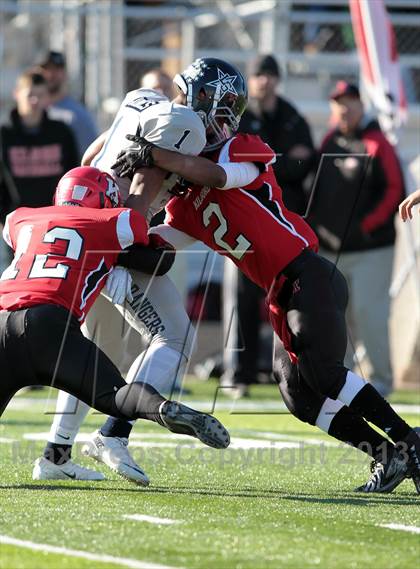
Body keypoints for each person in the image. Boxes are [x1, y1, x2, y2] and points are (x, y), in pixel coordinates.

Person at [111, 58, 420, 494]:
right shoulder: (183, 204)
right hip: (280, 290)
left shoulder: (239, 149)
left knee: (324, 372)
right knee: (299, 396)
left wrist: (157, 154)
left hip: (308, 274)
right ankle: (388, 457)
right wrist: (111, 235)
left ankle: (411, 442)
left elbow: (219, 176)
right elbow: (156, 243)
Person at [0, 165, 230, 482]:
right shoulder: (115, 220)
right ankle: (161, 409)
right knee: (117, 396)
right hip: (49, 328)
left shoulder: (21, 218)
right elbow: (153, 255)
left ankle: (55, 460)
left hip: (2, 321)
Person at [33, 87, 210, 483]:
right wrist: (135, 240)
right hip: (115, 237)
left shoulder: (137, 98)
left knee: (100, 346)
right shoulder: (182, 124)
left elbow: (90, 158)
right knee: (176, 337)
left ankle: (56, 454)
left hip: (85, 229)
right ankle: (114, 432)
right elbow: (136, 198)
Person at [220, 54, 316, 397]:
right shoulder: (238, 114)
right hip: (243, 223)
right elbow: (233, 158)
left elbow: (303, 163)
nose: (265, 81)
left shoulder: (291, 117)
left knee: (291, 302)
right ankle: (238, 373)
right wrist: (278, 160)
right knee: (241, 300)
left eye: (270, 75)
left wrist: (264, 161)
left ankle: (294, 373)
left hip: (282, 226)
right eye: (259, 74)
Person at [309, 81, 405, 398]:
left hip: (372, 249)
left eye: (350, 101)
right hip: (332, 249)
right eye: (338, 102)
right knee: (338, 317)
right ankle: (344, 379)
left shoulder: (377, 142)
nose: (344, 108)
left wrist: (367, 225)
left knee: (369, 312)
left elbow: (394, 190)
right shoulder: (328, 141)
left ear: (362, 106)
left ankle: (381, 380)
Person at [0, 69, 79, 227]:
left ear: (48, 98)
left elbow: (73, 171)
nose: (35, 100)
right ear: (17, 94)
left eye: (41, 95)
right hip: (17, 221)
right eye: (30, 95)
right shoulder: (4, 133)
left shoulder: (61, 132)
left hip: (55, 219)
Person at [38, 51, 98, 160]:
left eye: (56, 69)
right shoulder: (30, 112)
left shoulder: (77, 115)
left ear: (65, 74)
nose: (50, 75)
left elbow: (89, 160)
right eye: (46, 69)